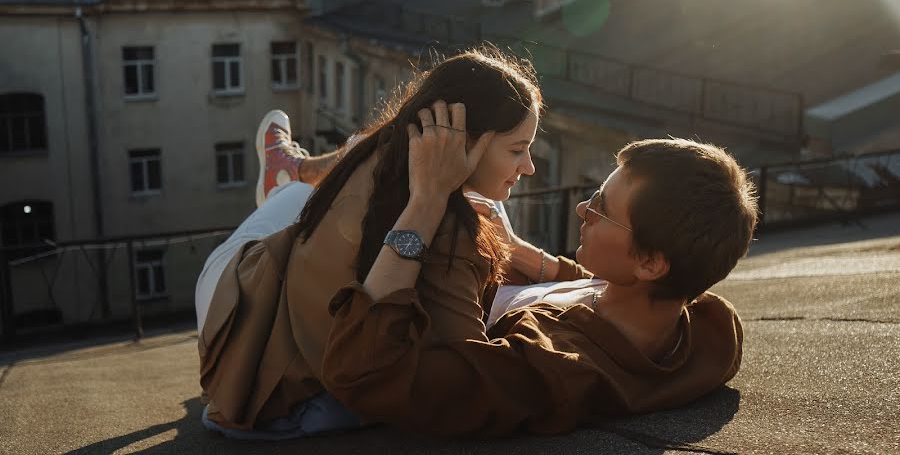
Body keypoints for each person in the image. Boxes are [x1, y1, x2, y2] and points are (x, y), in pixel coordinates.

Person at [320, 105, 758, 438]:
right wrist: (527, 256)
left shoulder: (546, 370)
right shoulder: (710, 326)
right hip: (500, 280)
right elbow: (603, 287)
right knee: (483, 201)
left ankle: (299, 175)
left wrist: (426, 203)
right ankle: (304, 171)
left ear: (649, 262)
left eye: (602, 210)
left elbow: (365, 376)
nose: (583, 209)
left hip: (354, 323)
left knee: (367, 179)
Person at [195, 49, 543, 439]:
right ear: (462, 138)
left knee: (308, 187)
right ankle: (287, 178)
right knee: (293, 198)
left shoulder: (380, 152)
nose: (529, 166)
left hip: (245, 314)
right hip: (232, 300)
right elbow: (473, 374)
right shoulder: (449, 229)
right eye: (517, 149)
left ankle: (291, 172)